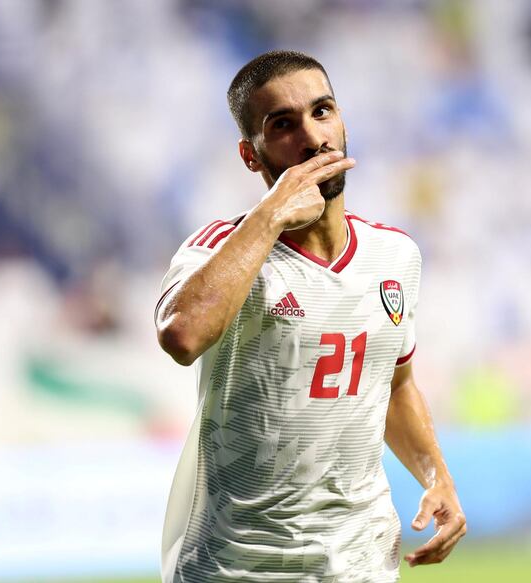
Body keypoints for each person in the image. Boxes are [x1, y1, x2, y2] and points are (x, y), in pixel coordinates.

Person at [154, 50, 466, 582]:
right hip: (237, 566)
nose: (312, 136)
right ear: (250, 156)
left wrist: (437, 477)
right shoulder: (220, 251)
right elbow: (181, 336)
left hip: (360, 562)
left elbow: (393, 383)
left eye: (322, 111)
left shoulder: (394, 255)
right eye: (282, 124)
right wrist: (272, 213)